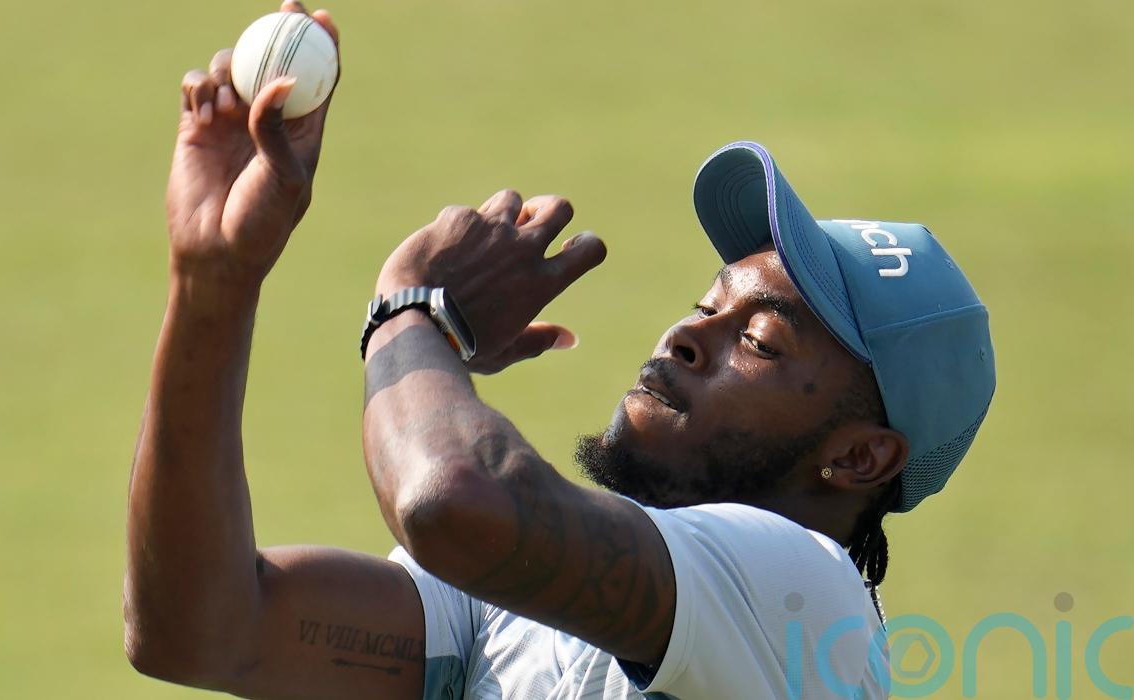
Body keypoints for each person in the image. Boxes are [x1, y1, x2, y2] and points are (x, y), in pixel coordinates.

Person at [124, 3, 996, 698]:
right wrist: (213, 283)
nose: (687, 337)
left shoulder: (805, 600)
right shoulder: (521, 589)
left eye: (761, 341)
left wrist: (413, 310)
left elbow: (449, 500)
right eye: (706, 306)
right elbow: (198, 633)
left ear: (859, 457)